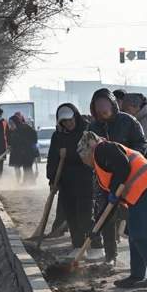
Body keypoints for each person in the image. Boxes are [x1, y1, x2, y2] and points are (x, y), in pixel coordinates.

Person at [78, 131, 147, 288]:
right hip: (143, 191)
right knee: (134, 234)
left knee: (141, 235)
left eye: (83, 158)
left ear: (87, 151)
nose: (84, 162)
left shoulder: (102, 149)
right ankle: (136, 275)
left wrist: (114, 190)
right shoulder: (101, 165)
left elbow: (123, 166)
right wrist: (96, 229)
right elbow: (109, 206)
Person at [88, 88, 146, 266]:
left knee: (133, 219)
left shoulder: (127, 121)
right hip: (104, 179)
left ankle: (140, 260)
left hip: (129, 177)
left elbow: (141, 143)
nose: (102, 110)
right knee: (106, 217)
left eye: (105, 105)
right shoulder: (93, 127)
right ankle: (110, 256)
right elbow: (89, 150)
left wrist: (128, 161)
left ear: (112, 105)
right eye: (98, 107)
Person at [47, 103, 97, 259]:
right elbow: (52, 159)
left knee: (85, 215)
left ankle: (96, 246)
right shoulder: (58, 136)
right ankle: (77, 245)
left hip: (86, 180)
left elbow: (91, 155)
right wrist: (52, 179)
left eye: (70, 120)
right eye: (64, 122)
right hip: (66, 182)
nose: (69, 124)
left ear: (75, 116)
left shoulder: (87, 132)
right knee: (71, 216)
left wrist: (69, 154)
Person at [8, 113, 38, 183]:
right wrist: (10, 146)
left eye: (12, 123)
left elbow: (34, 136)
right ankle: (21, 182)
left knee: (27, 168)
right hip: (19, 153)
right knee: (18, 167)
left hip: (28, 152)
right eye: (10, 124)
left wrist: (30, 144)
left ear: (16, 122)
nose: (11, 125)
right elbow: (12, 141)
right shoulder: (13, 131)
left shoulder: (25, 128)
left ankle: (29, 183)